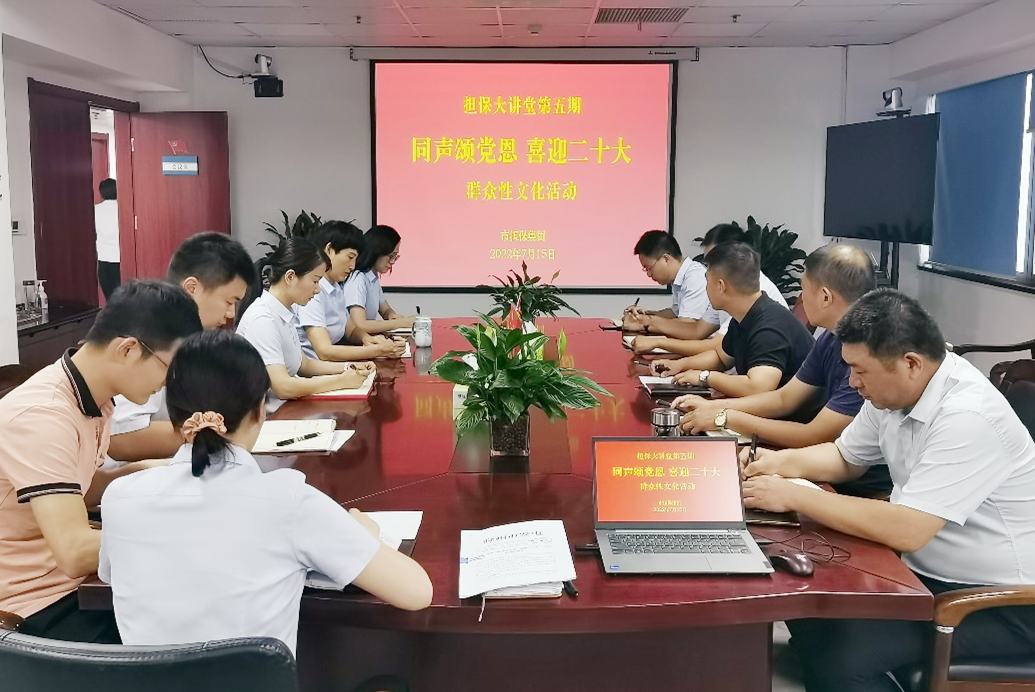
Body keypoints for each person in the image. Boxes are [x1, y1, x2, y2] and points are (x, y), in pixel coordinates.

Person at [98, 333, 431, 692]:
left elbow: (114, 577)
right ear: (260, 411)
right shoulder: (288, 500)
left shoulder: (120, 498)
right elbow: (416, 592)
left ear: (175, 416)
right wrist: (366, 536)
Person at [741, 290, 1035, 692]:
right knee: (809, 604)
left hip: (1001, 603)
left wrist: (795, 495)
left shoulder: (968, 416)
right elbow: (845, 457)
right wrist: (776, 463)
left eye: (859, 370)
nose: (851, 382)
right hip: (925, 573)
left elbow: (908, 529)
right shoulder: (893, 394)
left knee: (843, 657)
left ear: (910, 363)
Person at [0, 280, 202, 643]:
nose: (167, 383)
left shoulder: (94, 399)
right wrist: (189, 531)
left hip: (75, 585)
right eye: (168, 368)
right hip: (31, 604)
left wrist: (151, 471)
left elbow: (79, 489)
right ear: (128, 349)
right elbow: (74, 551)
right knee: (189, 631)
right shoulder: (43, 415)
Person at [673, 244, 891, 497]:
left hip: (864, 491)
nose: (800, 299)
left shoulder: (871, 358)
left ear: (825, 297)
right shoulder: (830, 339)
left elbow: (814, 435)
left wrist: (725, 416)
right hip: (826, 469)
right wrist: (716, 409)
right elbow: (783, 399)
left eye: (803, 289)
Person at [107, 232, 257, 462]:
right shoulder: (148, 336)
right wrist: (220, 434)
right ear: (191, 288)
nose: (230, 314)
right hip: (140, 474)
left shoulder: (194, 339)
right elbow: (121, 438)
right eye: (229, 302)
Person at [651, 242, 813, 398]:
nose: (706, 289)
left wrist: (704, 377)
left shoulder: (770, 325)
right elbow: (721, 358)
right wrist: (680, 365)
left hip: (794, 415)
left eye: (707, 281)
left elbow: (757, 387)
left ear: (721, 286)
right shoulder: (743, 316)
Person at [238, 237, 375, 413]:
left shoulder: (285, 311)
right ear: (290, 277)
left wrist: (350, 367)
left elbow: (305, 365)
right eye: (315, 281)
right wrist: (341, 381)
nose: (317, 290)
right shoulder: (263, 318)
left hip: (287, 409)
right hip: (269, 418)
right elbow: (283, 387)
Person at [632, 223, 788, 356]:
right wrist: (648, 322)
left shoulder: (750, 290)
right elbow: (697, 330)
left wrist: (657, 340)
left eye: (713, 261)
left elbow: (717, 346)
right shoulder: (725, 288)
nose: (707, 270)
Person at [298, 220, 407, 361]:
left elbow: (351, 329)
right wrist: (377, 350)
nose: (353, 266)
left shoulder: (335, 287)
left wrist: (367, 339)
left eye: (355, 259)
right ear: (329, 250)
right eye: (350, 257)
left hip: (330, 364)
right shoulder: (312, 291)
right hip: (314, 368)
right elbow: (324, 351)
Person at [622, 230, 717, 341]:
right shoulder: (680, 277)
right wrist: (643, 315)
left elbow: (686, 326)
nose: (648, 274)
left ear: (666, 259)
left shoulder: (695, 277)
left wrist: (644, 323)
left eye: (649, 268)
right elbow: (675, 313)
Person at [343, 224, 416, 341]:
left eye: (396, 256)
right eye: (391, 256)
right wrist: (402, 322)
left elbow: (385, 309)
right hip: (355, 343)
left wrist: (392, 316)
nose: (393, 261)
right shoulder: (358, 279)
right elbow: (361, 324)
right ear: (377, 252)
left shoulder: (372, 277)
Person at [94, 178, 120, 300]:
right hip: (120, 258)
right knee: (123, 295)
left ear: (101, 192)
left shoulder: (95, 210)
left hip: (103, 258)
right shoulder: (123, 208)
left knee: (109, 296)